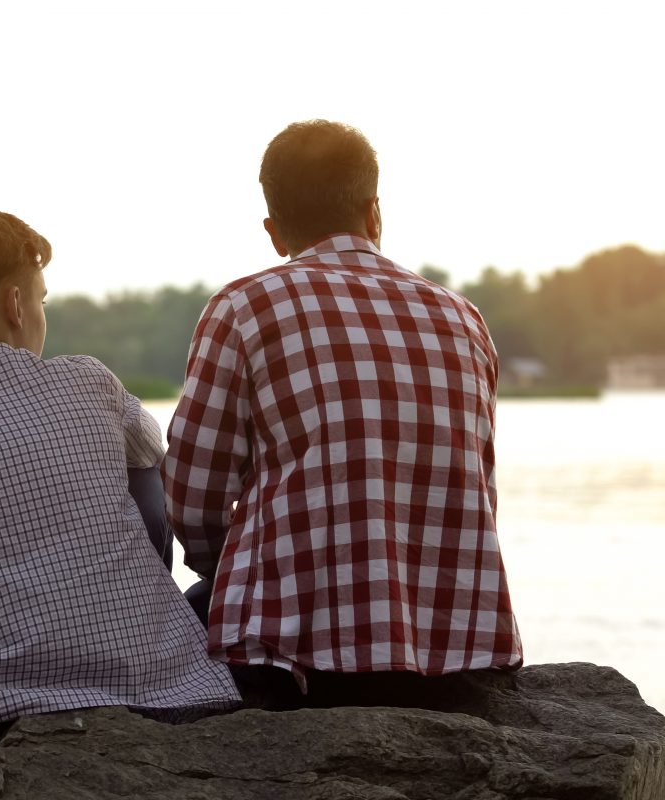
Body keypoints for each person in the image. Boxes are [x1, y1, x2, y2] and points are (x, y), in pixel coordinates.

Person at [163, 120, 522, 708]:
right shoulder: (463, 318)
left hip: (290, 654)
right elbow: (481, 488)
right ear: (374, 212)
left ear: (275, 233)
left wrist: (217, 565)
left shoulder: (243, 307)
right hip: (455, 650)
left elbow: (192, 493)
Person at [0, 209, 239, 744]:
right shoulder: (89, 382)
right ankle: (128, 611)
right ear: (14, 305)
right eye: (41, 299)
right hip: (142, 676)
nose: (41, 314)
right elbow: (157, 457)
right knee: (141, 469)